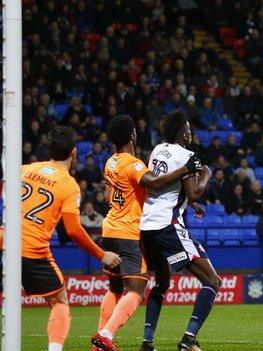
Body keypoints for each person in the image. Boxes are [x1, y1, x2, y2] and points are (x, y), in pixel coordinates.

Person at [0, 127, 123, 351]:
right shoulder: (69, 185)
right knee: (59, 301)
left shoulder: (25, 169)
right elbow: (74, 230)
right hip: (33, 251)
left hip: (3, 244)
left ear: (49, 149)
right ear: (74, 153)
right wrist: (102, 255)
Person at [92, 115, 202, 351]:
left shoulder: (110, 162)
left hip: (109, 228)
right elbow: (153, 184)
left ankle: (99, 342)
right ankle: (106, 335)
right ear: (133, 134)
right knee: (137, 290)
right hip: (128, 232)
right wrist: (185, 169)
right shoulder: (133, 164)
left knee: (114, 288)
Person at [137, 111, 215, 351]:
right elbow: (193, 191)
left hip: (147, 226)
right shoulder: (188, 155)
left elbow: (167, 186)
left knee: (161, 284)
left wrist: (189, 203)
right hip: (168, 225)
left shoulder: (158, 150)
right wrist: (206, 176)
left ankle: (147, 342)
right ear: (183, 133)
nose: (191, 132)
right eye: (189, 129)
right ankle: (188, 339)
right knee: (212, 280)